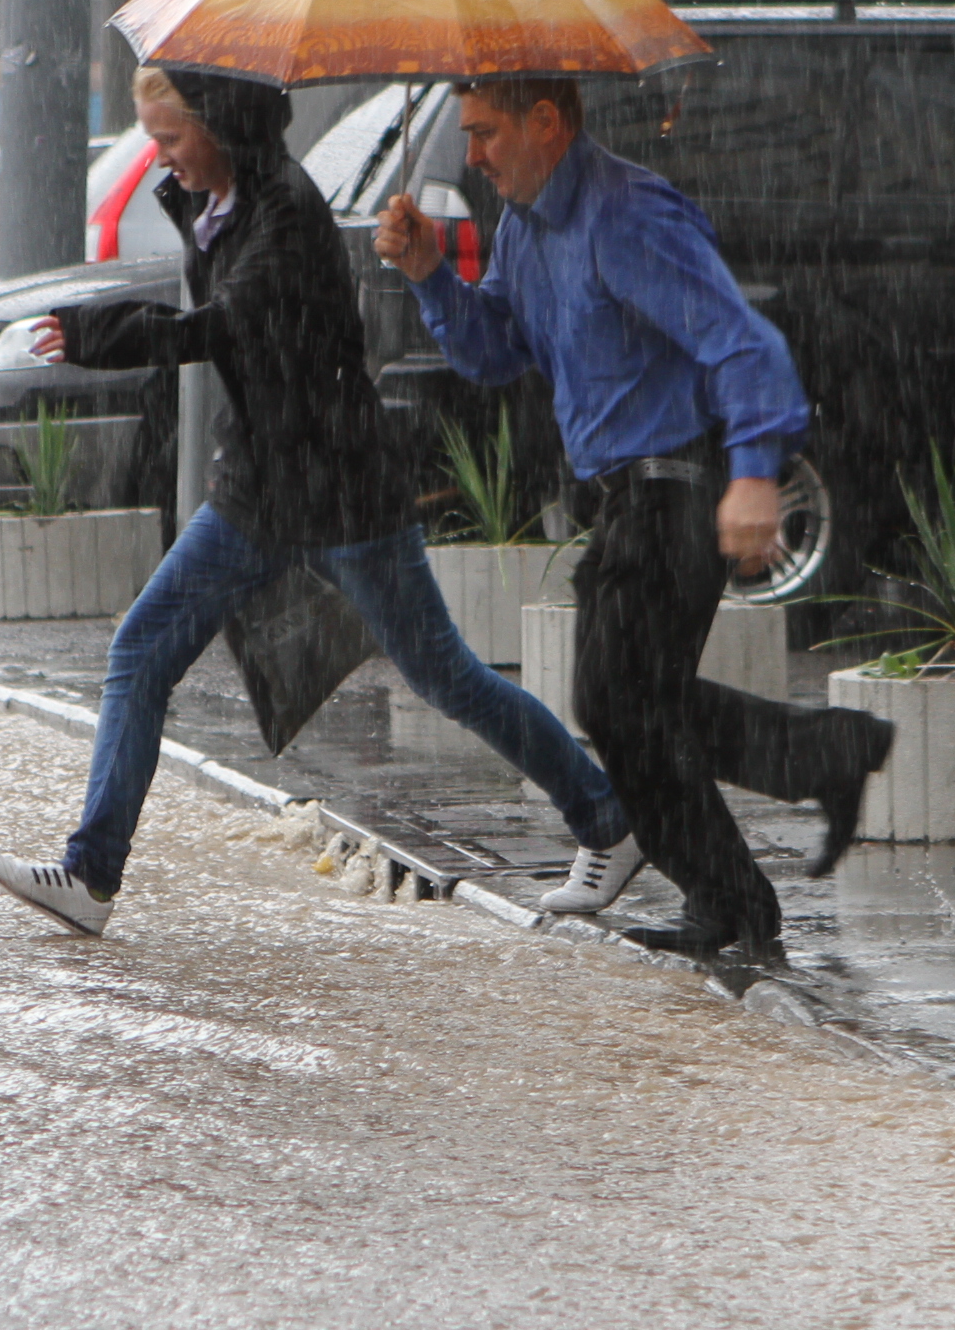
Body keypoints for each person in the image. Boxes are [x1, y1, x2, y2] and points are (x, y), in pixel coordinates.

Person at [0, 67, 644, 936]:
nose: (162, 158)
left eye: (172, 138)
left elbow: (220, 327)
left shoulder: (285, 215)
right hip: (259, 490)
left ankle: (608, 823)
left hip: (341, 496)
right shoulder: (222, 199)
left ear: (220, 125)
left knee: (446, 677)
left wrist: (98, 333)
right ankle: (90, 875)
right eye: (154, 140)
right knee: (141, 650)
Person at [376, 77, 895, 966]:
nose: (473, 155)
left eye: (486, 132)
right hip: (621, 496)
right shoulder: (525, 225)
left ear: (548, 123)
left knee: (616, 703)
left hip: (678, 489)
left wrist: (757, 475)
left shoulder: (627, 214)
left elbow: (743, 341)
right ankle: (818, 760)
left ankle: (735, 892)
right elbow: (498, 352)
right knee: (636, 706)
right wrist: (431, 273)